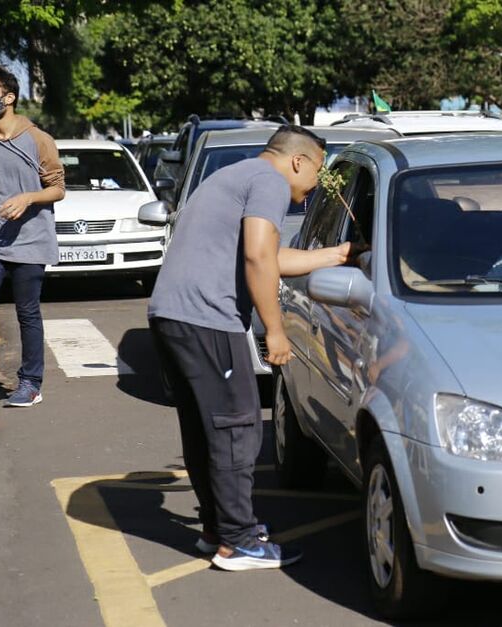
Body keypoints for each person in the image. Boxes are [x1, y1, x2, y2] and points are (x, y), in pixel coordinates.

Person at [148, 125, 351, 571]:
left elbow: (270, 257)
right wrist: (274, 332)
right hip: (206, 319)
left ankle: (219, 528)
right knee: (238, 427)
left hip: (173, 315)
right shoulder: (269, 181)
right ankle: (238, 541)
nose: (314, 185)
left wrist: (337, 256)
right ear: (299, 160)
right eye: (318, 171)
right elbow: (259, 258)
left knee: (209, 431)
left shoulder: (237, 176)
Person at [0, 65, 64, 407]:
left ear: (9, 97)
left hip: (31, 242)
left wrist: (27, 197)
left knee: (27, 313)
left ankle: (31, 383)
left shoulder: (38, 139)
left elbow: (58, 189)